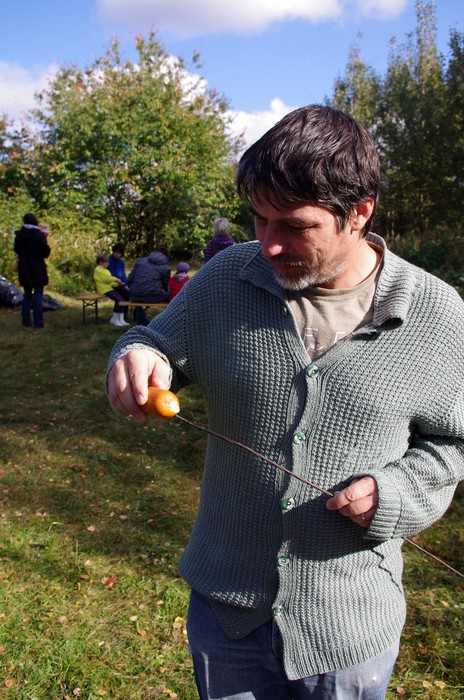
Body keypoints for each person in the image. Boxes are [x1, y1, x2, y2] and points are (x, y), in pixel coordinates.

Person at [106, 105, 464, 699]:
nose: (269, 245)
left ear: (360, 212)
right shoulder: (228, 277)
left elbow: (453, 444)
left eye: (295, 226)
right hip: (228, 614)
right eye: (259, 218)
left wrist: (395, 492)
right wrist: (140, 355)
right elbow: (156, 341)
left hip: (349, 628)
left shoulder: (436, 314)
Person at [14, 213, 51, 329]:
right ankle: (38, 323)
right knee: (38, 295)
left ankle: (26, 322)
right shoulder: (39, 235)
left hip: (24, 268)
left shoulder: (19, 235)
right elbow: (46, 252)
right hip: (37, 268)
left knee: (27, 295)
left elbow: (16, 249)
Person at [127, 250, 171, 325]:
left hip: (134, 296)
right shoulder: (165, 268)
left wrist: (131, 289)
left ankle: (141, 318)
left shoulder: (141, 261)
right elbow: (166, 285)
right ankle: (167, 321)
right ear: (166, 258)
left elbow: (130, 278)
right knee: (171, 295)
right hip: (150, 297)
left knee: (141, 295)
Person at [93, 252, 130, 327]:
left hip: (109, 288)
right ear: (101, 262)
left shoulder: (106, 271)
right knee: (119, 300)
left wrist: (118, 284)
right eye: (106, 262)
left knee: (122, 300)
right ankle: (114, 319)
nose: (108, 263)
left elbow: (110, 283)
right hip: (104, 290)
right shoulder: (98, 270)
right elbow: (106, 279)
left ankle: (120, 319)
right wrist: (115, 279)